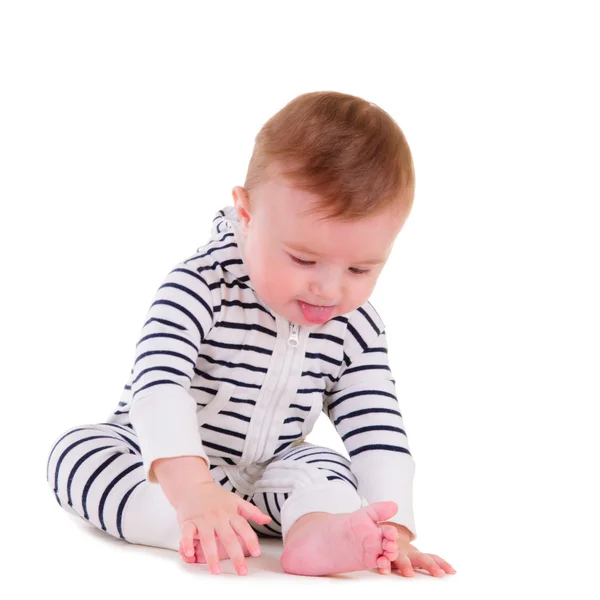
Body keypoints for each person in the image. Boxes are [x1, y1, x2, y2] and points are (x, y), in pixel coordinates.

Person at [46, 91, 456, 578]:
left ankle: (316, 535)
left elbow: (378, 429)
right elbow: (159, 386)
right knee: (76, 454)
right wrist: (193, 489)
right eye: (303, 259)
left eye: (361, 268)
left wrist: (398, 533)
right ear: (245, 213)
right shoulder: (200, 285)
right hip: (162, 464)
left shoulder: (356, 326)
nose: (328, 289)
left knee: (330, 470)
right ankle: (184, 522)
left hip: (268, 474)